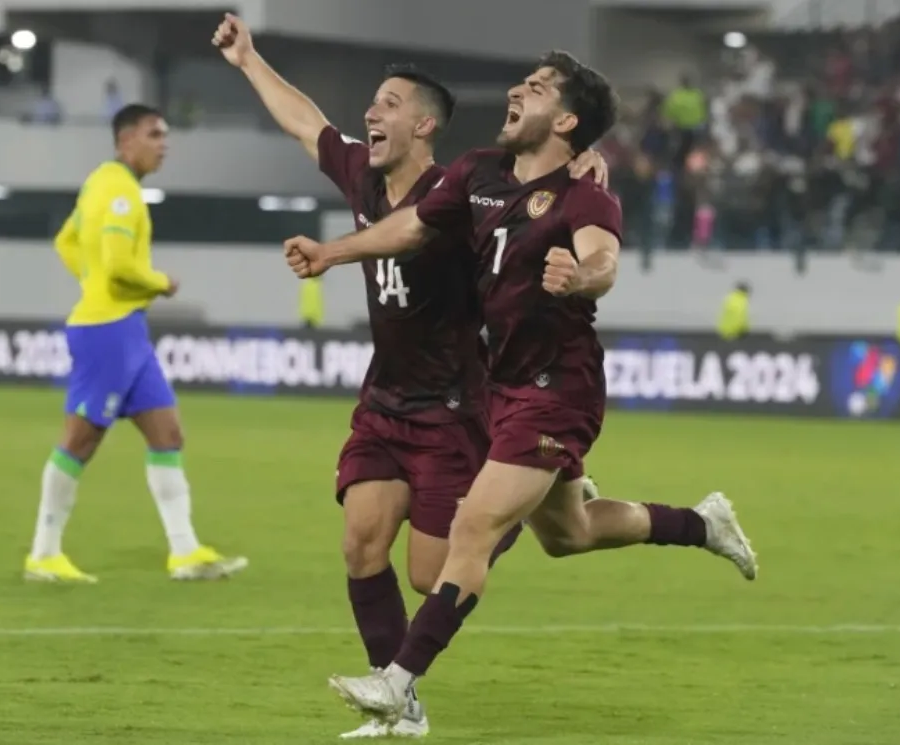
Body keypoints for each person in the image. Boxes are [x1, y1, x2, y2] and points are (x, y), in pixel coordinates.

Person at [284, 50, 758, 722]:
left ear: (565, 119)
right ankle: (701, 522)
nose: (516, 90)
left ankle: (398, 687)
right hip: (501, 383)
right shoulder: (479, 172)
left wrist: (582, 274)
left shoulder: (586, 192)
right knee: (570, 532)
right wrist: (333, 252)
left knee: (473, 528)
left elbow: (604, 257)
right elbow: (414, 226)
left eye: (535, 87)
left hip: (556, 387)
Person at [214, 15, 607, 739]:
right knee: (362, 542)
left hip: (455, 409)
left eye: (390, 103)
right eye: (373, 102)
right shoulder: (364, 176)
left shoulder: (459, 194)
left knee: (434, 573)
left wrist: (583, 169)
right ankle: (402, 704)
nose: (372, 113)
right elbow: (309, 125)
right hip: (384, 400)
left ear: (425, 124)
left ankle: (517, 505)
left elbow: (540, 191)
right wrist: (248, 60)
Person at [23, 104, 247, 584]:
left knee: (167, 434)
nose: (164, 143)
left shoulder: (97, 183)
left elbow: (66, 242)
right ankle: (43, 554)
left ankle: (185, 553)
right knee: (80, 441)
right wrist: (160, 281)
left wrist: (94, 282)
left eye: (165, 134)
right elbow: (122, 264)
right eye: (154, 134)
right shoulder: (123, 194)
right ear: (126, 141)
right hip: (108, 330)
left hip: (124, 329)